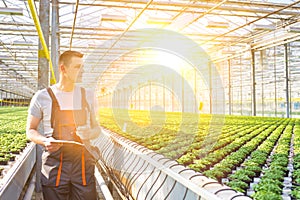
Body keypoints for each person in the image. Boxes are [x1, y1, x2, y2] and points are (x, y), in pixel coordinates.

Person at [26, 50, 100, 200]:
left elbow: (97, 128)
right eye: (77, 67)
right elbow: (30, 130)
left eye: (82, 67)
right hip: (55, 166)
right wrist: (45, 141)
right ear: (63, 69)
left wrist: (89, 133)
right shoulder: (43, 96)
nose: (82, 71)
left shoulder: (89, 95)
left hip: (83, 165)